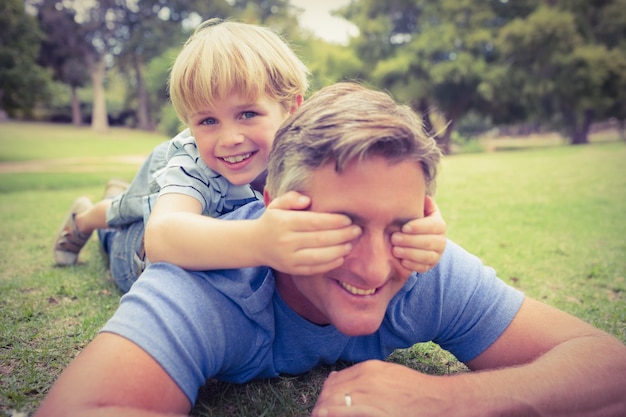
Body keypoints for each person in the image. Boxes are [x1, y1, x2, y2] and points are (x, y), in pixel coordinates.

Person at [36, 82, 626, 417]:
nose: (373, 267)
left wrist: (450, 400)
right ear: (273, 204)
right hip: (142, 244)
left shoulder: (420, 260)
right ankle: (104, 211)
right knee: (128, 231)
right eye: (338, 227)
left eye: (398, 224)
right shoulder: (208, 282)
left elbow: (608, 366)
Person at [52, 19, 447, 293]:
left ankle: (122, 196)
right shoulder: (195, 162)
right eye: (207, 120)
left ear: (291, 107)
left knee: (141, 200)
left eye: (247, 113)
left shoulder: (308, 148)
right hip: (139, 252)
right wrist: (261, 240)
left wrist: (422, 225)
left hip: (189, 206)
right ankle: (85, 218)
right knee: (129, 212)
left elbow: (372, 190)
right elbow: (162, 236)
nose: (229, 138)